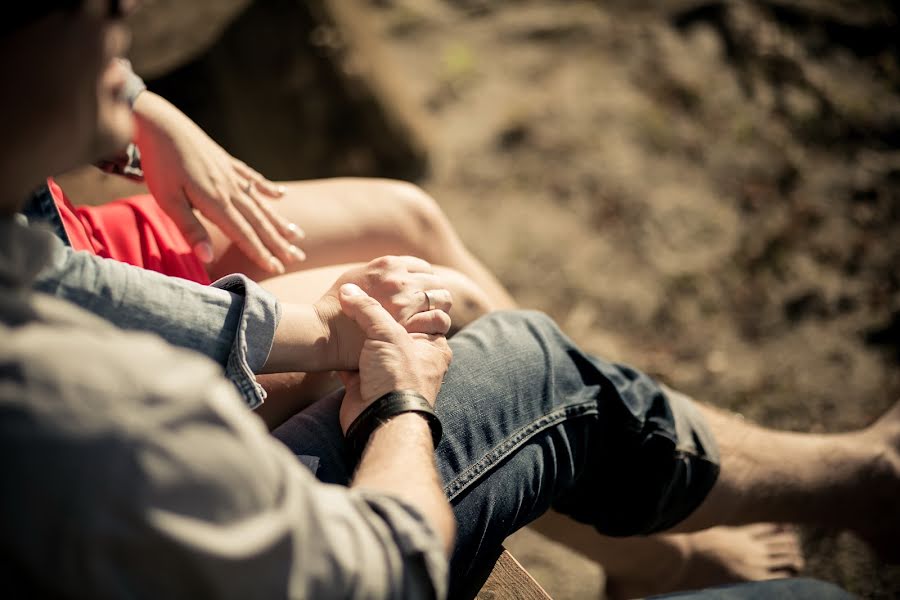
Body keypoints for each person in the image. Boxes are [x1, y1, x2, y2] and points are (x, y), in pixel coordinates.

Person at [1, 2, 894, 599]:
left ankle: (647, 537)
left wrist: (135, 108)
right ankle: (658, 543)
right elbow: (381, 569)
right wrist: (380, 382)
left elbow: (59, 272)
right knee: (460, 314)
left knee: (409, 222)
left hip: (89, 251)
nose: (125, 12)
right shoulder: (85, 414)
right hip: (296, 501)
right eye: (90, 8)